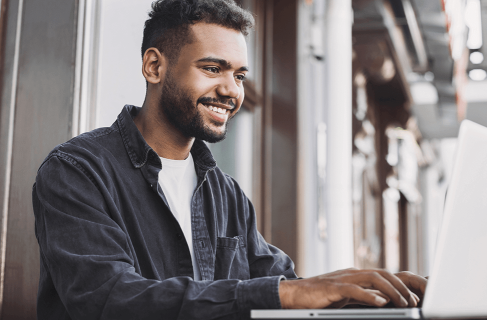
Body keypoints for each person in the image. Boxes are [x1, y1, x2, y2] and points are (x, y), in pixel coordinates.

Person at [32, 0, 427, 319]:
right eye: (211, 69)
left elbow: (285, 285)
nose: (231, 90)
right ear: (154, 66)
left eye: (239, 75)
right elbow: (108, 299)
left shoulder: (225, 193)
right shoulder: (77, 171)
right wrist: (288, 293)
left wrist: (371, 294)